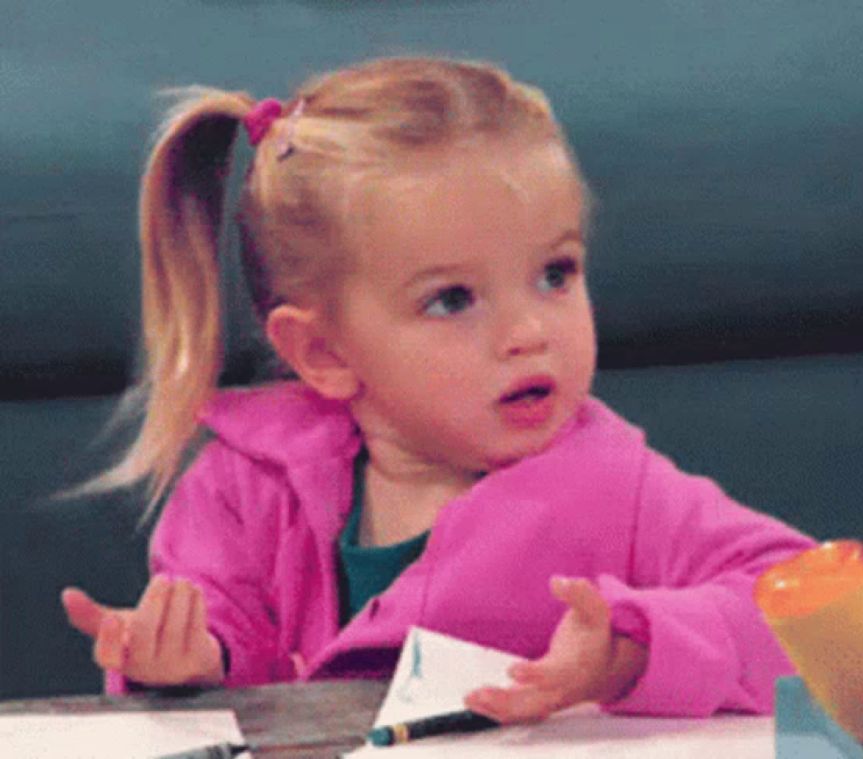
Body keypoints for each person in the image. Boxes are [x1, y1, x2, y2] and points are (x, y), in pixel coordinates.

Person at [61, 57, 815, 722]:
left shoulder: (619, 489)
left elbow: (808, 603)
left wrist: (633, 646)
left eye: (556, 274)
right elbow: (223, 645)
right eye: (453, 299)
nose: (529, 333)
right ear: (323, 351)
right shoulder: (239, 488)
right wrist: (184, 661)